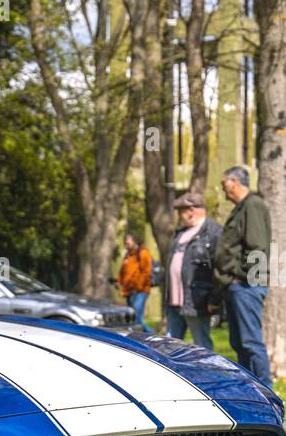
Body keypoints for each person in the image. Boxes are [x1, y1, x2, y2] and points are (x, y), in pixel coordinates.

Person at [212, 165, 273, 387]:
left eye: (224, 184)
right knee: (239, 342)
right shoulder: (242, 207)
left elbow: (256, 248)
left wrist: (239, 276)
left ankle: (266, 395)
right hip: (237, 286)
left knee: (250, 342)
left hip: (246, 287)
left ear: (235, 181)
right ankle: (251, 393)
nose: (223, 189)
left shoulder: (253, 206)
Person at [162, 191, 222, 349]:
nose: (179, 216)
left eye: (180, 211)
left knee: (202, 345)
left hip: (197, 301)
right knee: (170, 346)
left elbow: (220, 268)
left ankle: (208, 373)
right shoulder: (180, 233)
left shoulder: (214, 233)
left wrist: (214, 299)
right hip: (174, 301)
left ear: (191, 211)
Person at [116, 233, 152, 329]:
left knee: (137, 319)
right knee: (133, 320)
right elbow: (122, 272)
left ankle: (153, 337)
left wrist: (138, 287)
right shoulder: (128, 255)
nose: (126, 243)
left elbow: (146, 271)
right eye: (125, 241)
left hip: (140, 291)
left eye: (128, 240)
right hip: (129, 291)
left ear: (134, 241)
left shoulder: (143, 252)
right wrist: (119, 282)